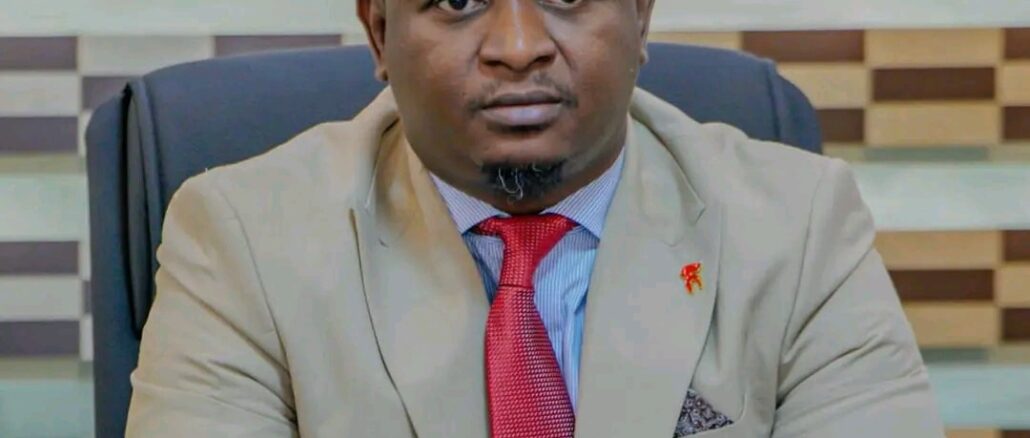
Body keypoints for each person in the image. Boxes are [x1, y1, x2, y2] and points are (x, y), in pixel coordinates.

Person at [125, 0, 944, 436]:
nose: (517, 45)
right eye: (459, 0)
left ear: (641, 14)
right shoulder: (241, 238)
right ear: (379, 31)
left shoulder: (799, 226)